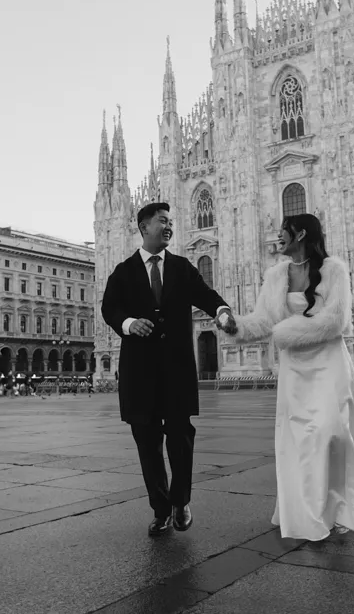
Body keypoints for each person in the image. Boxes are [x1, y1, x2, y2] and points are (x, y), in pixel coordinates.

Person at [228, 213, 354, 541]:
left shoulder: (334, 270)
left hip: (328, 363)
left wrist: (288, 331)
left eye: (283, 232)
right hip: (294, 371)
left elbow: (336, 320)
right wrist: (237, 326)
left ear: (299, 234)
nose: (278, 238)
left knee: (330, 431)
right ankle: (305, 512)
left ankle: (339, 506)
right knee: (298, 440)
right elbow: (264, 320)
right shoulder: (276, 275)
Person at [101, 202, 233, 537]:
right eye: (163, 221)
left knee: (180, 438)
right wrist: (129, 324)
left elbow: (205, 294)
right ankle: (160, 508)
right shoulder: (124, 271)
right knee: (147, 442)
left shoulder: (182, 267)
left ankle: (181, 501)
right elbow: (109, 308)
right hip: (140, 372)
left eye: (171, 221)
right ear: (144, 227)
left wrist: (220, 311)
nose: (169, 226)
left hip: (176, 369)